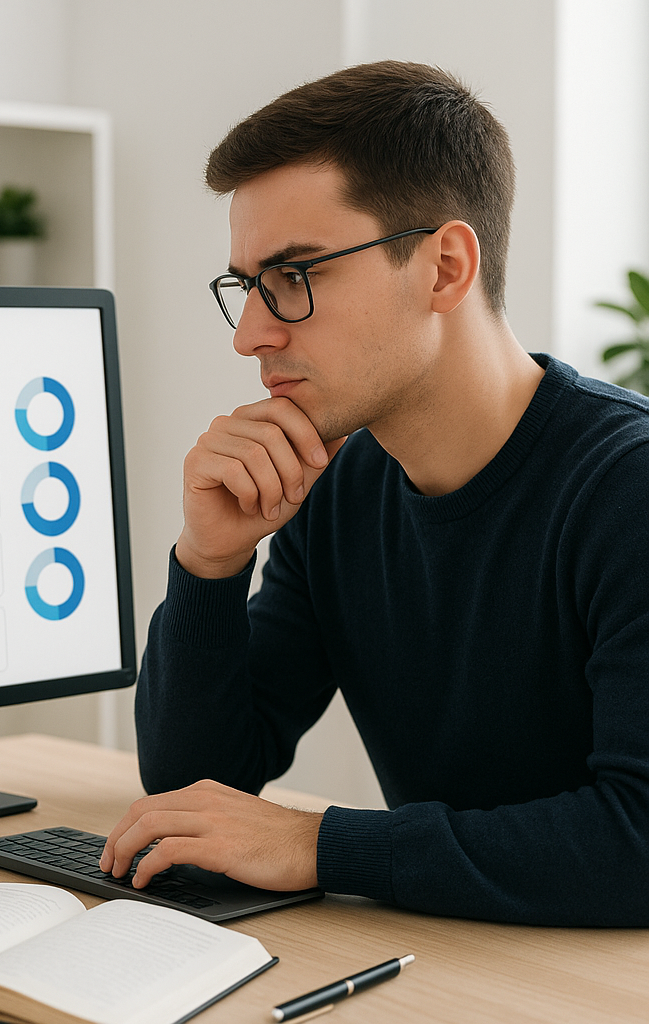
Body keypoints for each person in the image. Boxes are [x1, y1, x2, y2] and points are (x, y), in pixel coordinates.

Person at [98, 60, 649, 926]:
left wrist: (316, 844)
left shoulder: (629, 487)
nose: (250, 334)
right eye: (246, 286)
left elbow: (639, 842)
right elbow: (192, 793)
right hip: (453, 970)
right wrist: (210, 563)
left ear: (444, 268)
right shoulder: (340, 488)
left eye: (295, 275)